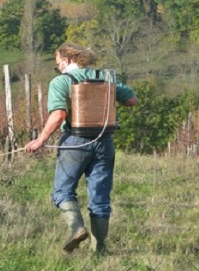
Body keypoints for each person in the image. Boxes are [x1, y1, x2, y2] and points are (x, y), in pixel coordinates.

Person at [25, 42, 138, 254]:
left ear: (67, 61)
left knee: (62, 192)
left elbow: (58, 115)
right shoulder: (107, 78)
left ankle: (77, 228)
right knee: (100, 198)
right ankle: (100, 250)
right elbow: (132, 100)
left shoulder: (61, 82)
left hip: (74, 142)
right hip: (104, 141)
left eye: (58, 64)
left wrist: (40, 140)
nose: (58, 69)